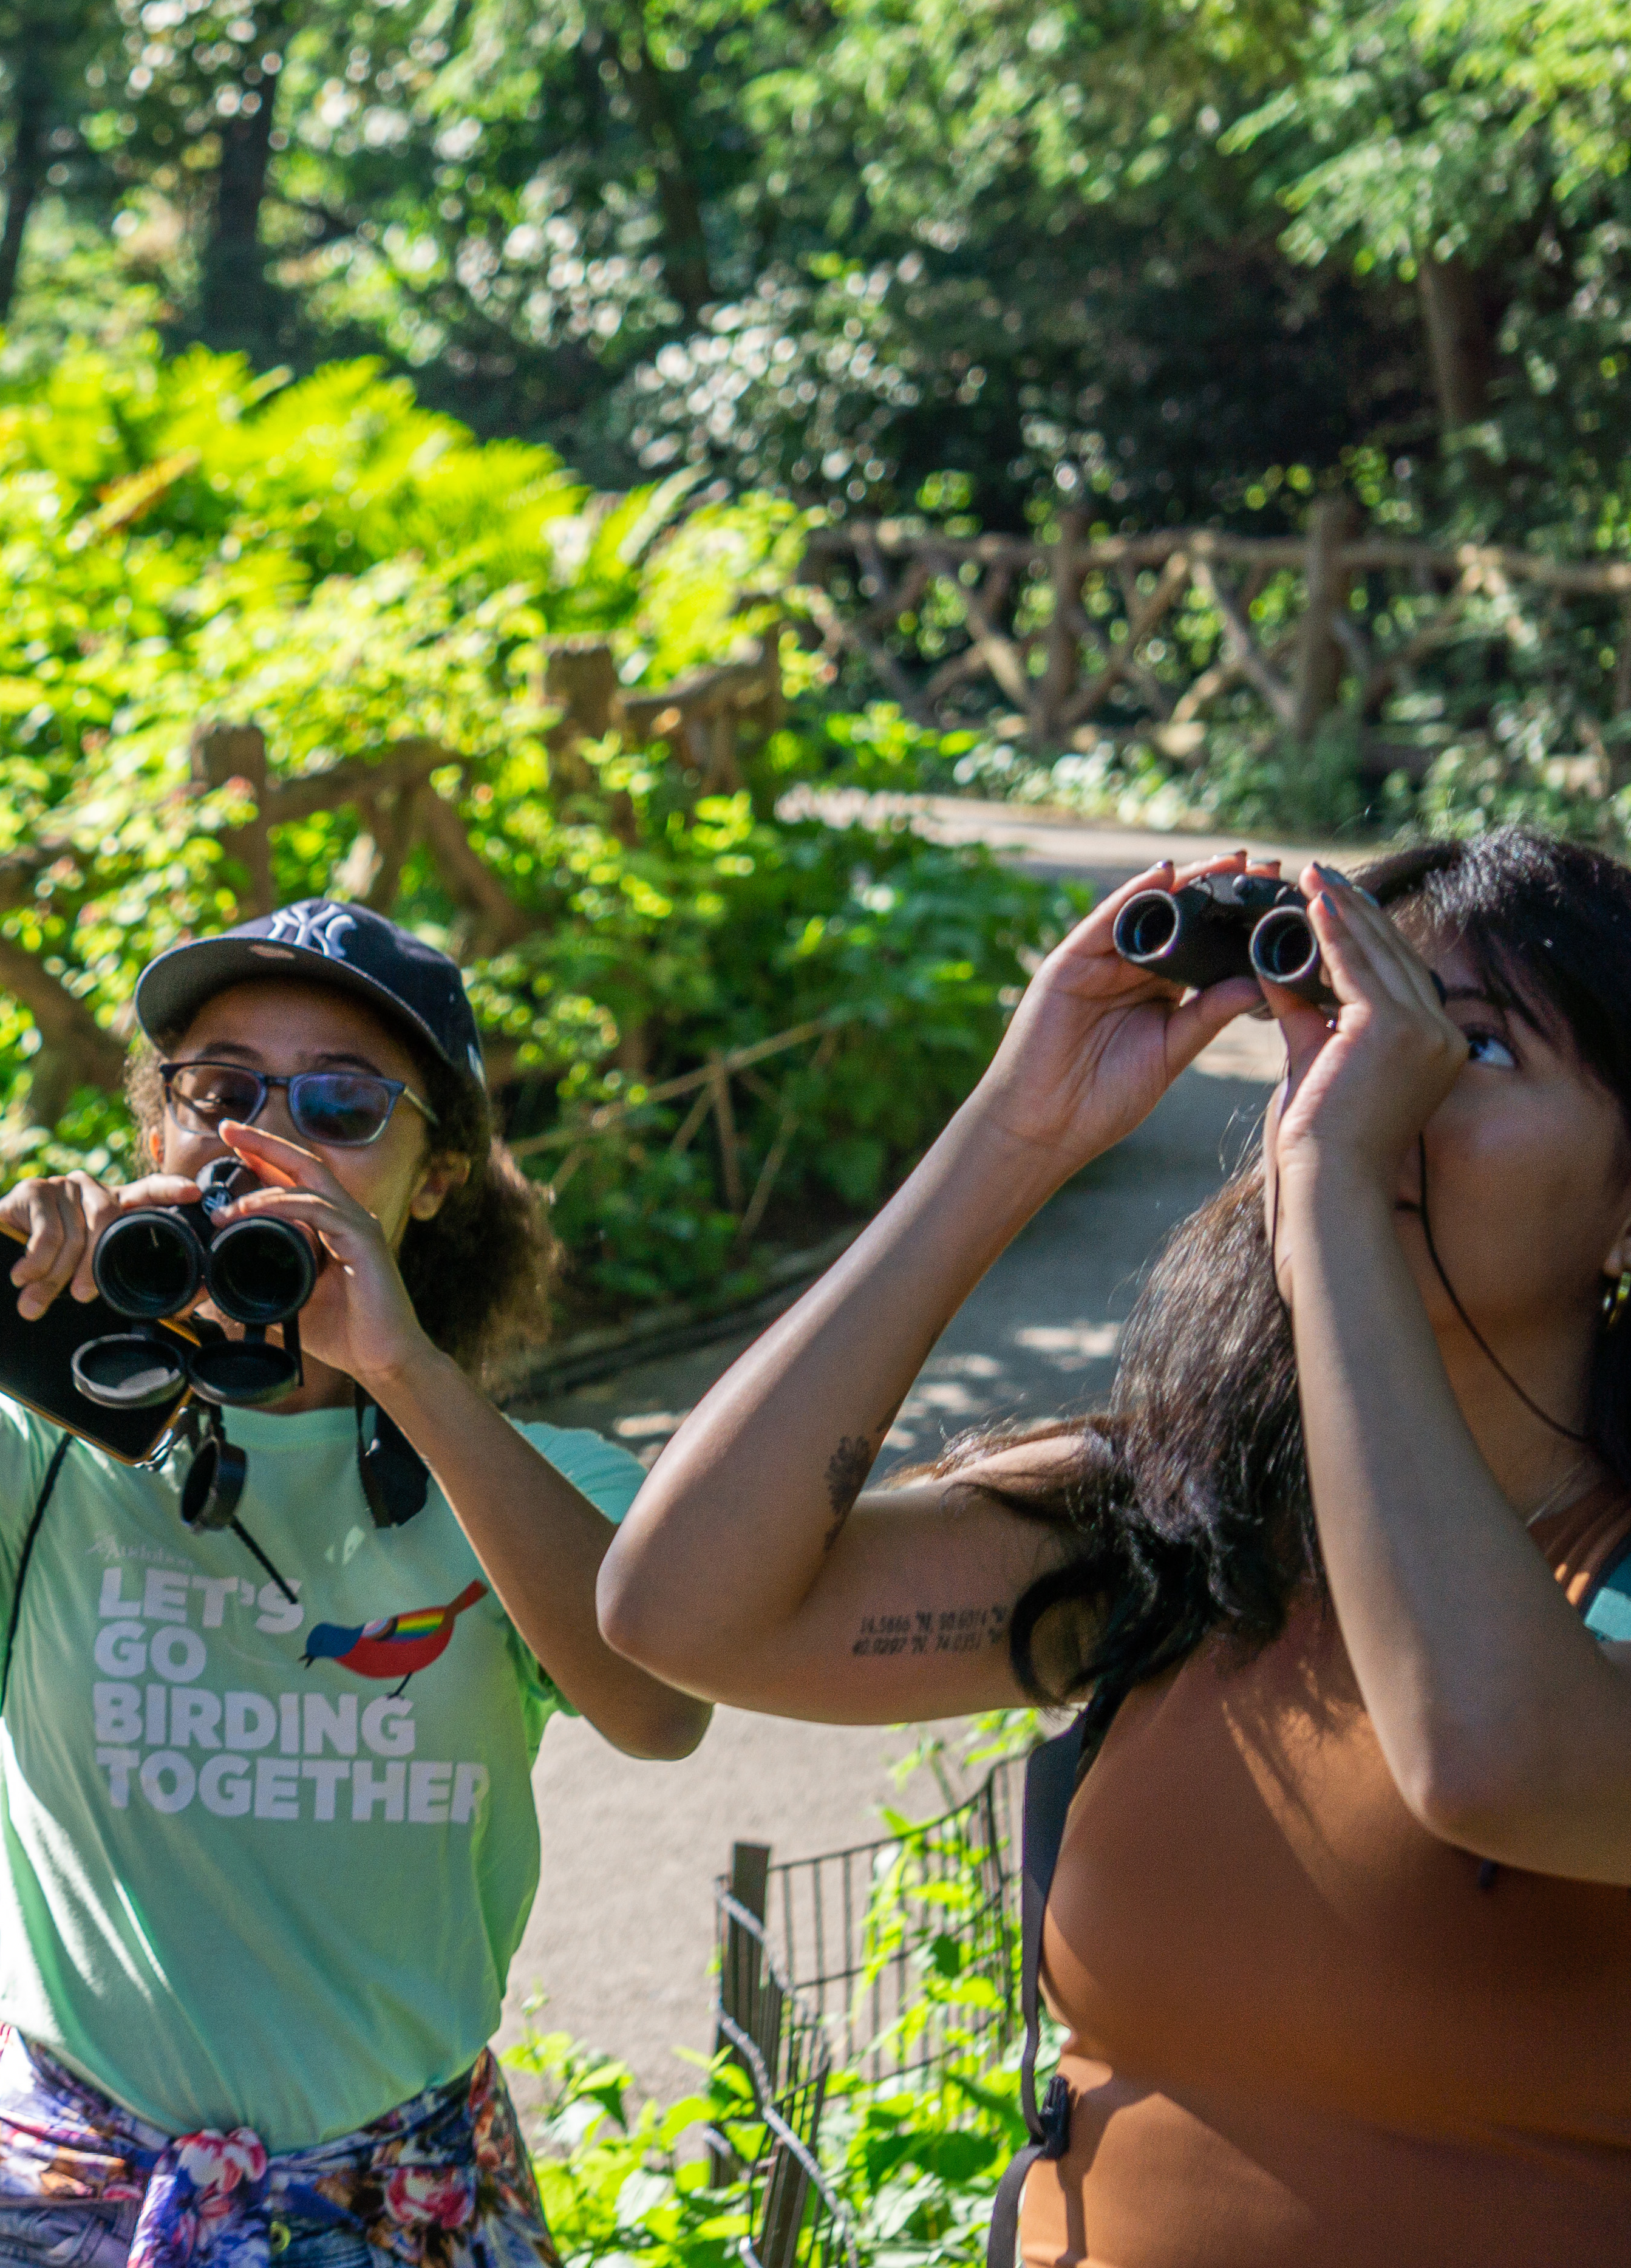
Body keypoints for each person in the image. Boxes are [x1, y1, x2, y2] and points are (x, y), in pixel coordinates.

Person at [598, 833, 1631, 2265]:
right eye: (1347, 1026)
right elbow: (680, 1606)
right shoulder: (1191, 1521)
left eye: (1474, 1049)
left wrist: (1335, 1185)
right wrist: (1018, 1129)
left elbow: (1484, 1755)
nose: (1371, 1086)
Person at [0, 897, 710, 2268]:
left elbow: (656, 1708)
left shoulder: (530, 1481)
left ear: (438, 1175)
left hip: (397, 2198)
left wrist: (404, 1370)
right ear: (157, 1131)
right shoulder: (36, 1451)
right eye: (219, 1090)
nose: (268, 1137)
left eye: (342, 1103)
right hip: (67, 2183)